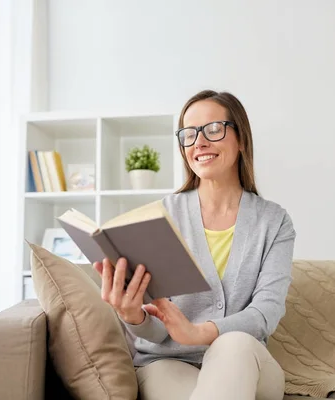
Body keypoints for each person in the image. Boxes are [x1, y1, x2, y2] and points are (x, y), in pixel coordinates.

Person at [93, 90, 296, 400]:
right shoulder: (161, 217)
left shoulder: (274, 222)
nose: (199, 142)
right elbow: (158, 330)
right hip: (168, 363)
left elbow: (265, 312)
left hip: (248, 361)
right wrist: (134, 316)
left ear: (241, 139)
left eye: (213, 129)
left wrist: (201, 332)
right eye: (188, 134)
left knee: (234, 343)